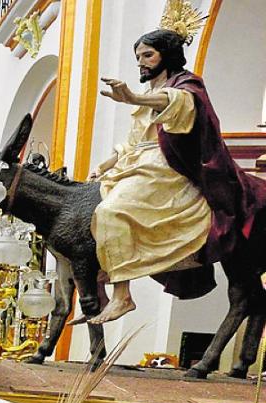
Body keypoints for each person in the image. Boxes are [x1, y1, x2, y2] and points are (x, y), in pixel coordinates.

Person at [83, 28, 266, 325]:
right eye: (138, 57)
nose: (141, 62)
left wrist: (132, 98)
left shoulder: (186, 84)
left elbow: (180, 103)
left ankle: (122, 294)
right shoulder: (147, 94)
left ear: (166, 55)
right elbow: (134, 141)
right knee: (89, 213)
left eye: (147, 55)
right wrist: (105, 165)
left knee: (111, 212)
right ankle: (103, 281)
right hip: (135, 163)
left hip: (165, 167)